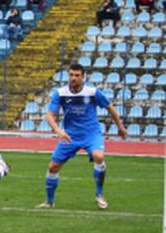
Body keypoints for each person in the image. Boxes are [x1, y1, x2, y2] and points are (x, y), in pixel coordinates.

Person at [39, 63, 126, 210]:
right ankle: (49, 201)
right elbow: (49, 115)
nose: (73, 78)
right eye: (71, 75)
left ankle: (99, 194)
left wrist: (120, 126)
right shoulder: (60, 93)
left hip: (91, 134)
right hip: (69, 136)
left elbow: (110, 108)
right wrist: (58, 131)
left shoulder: (92, 92)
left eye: (77, 75)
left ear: (83, 76)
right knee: (53, 167)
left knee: (99, 156)